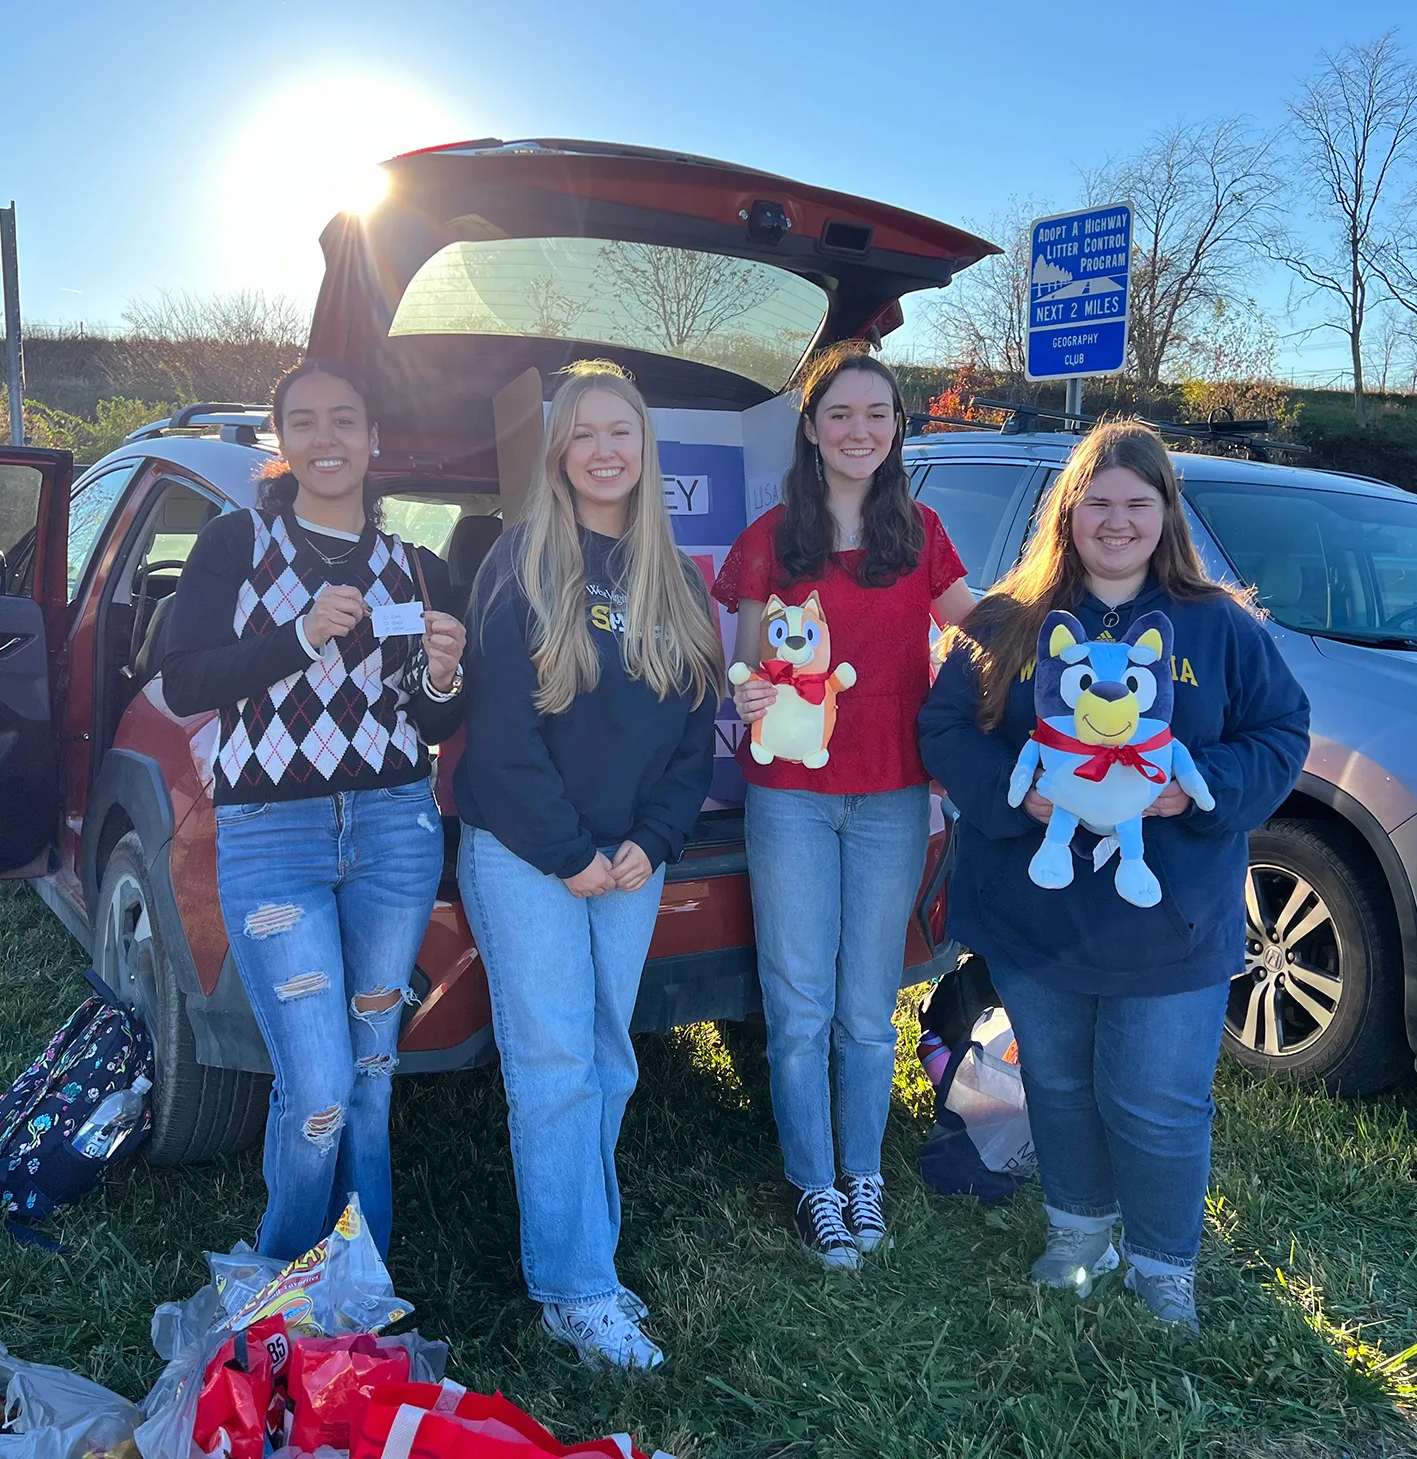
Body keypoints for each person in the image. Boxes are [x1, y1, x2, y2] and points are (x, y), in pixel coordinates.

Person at [918, 419, 1310, 1331]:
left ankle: (1164, 1263)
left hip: (1169, 915)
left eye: (1139, 502)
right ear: (1070, 510)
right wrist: (1020, 804)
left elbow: (1281, 735)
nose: (1118, 520)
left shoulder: (1219, 628)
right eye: (1099, 501)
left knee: (1158, 1101)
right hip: (1038, 915)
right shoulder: (1010, 622)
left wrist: (1197, 792)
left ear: (1166, 513)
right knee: (1055, 1084)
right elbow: (946, 730)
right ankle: (1078, 1233)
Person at [161, 359, 467, 1262]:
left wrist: (445, 674)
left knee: (372, 1075)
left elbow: (437, 718)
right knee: (321, 1085)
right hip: (275, 839)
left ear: (375, 441)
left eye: (346, 421)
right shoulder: (235, 546)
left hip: (393, 831)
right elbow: (187, 680)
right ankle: (282, 1278)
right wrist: (297, 638)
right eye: (305, 422)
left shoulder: (419, 568)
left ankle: (363, 1280)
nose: (326, 439)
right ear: (281, 442)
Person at [455, 361, 722, 1370]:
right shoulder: (519, 562)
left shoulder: (676, 576)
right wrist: (572, 856)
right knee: (557, 1069)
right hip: (530, 857)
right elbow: (500, 736)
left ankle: (588, 1260)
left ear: (644, 450)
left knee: (608, 1061)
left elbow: (694, 738)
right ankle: (574, 1290)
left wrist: (647, 845)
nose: (605, 451)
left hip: (627, 863)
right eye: (584, 435)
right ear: (560, 452)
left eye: (623, 433)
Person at [712, 343, 975, 1270]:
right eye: (840, 415)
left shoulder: (923, 534)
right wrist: (742, 690)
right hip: (788, 798)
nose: (859, 430)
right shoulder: (769, 541)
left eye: (877, 414)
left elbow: (976, 625)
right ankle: (813, 1185)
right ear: (813, 431)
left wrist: (1076, 619)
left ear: (897, 429)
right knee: (800, 1005)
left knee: (867, 1009)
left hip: (892, 797)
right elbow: (739, 662)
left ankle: (863, 1175)